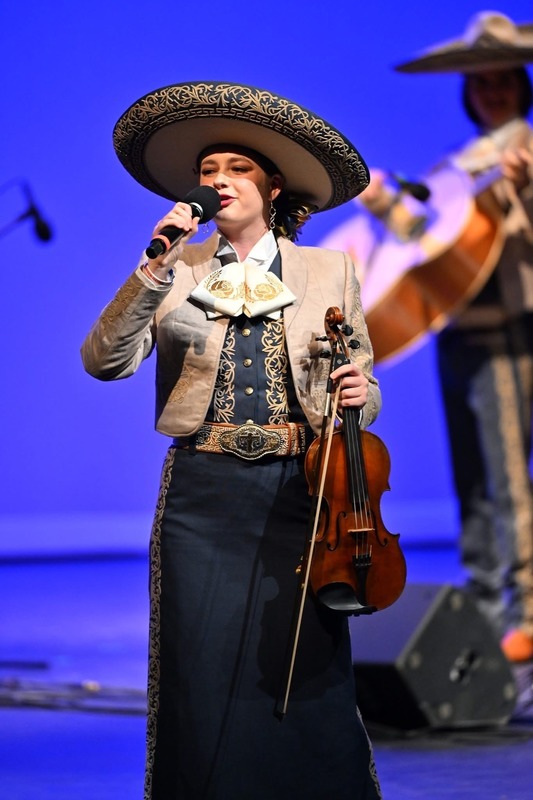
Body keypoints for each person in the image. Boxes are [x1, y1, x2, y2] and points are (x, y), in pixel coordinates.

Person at [81, 81, 383, 799]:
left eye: (237, 168)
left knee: (304, 659)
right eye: (208, 170)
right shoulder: (178, 272)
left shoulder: (328, 270)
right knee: (200, 660)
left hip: (300, 491)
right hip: (204, 490)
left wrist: (358, 394)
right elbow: (104, 362)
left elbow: (363, 386)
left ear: (273, 186)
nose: (218, 180)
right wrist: (152, 268)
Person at [352, 12, 533, 663]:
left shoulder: (526, 150)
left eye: (502, 80)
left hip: (512, 338)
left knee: (509, 480)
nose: (491, 92)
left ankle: (524, 611)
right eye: (480, 82)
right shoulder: (457, 164)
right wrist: (380, 201)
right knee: (473, 480)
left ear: (519, 83)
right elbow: (426, 239)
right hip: (458, 334)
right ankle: (487, 601)